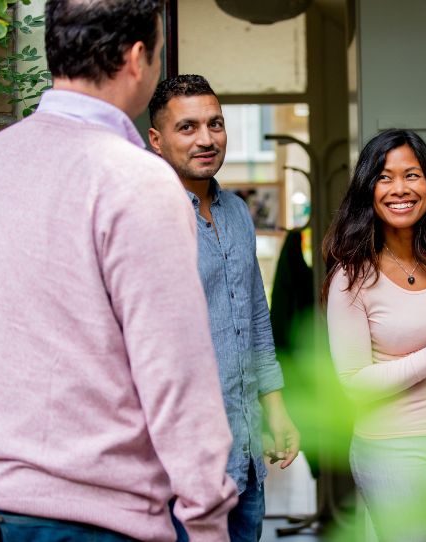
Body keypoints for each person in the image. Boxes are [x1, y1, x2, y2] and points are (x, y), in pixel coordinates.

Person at [0, 1, 238, 541]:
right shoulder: (135, 181)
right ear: (139, 57)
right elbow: (176, 372)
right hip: (82, 514)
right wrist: (209, 519)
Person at [147, 74, 300, 542]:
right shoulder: (148, 217)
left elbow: (255, 317)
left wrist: (276, 409)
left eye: (215, 124)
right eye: (188, 127)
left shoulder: (236, 211)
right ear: (157, 140)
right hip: (183, 468)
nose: (207, 139)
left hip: (246, 454)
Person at [322, 129, 426, 541]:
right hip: (391, 450)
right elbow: (353, 385)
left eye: (412, 175)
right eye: (384, 178)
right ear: (368, 189)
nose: (399, 189)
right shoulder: (352, 278)